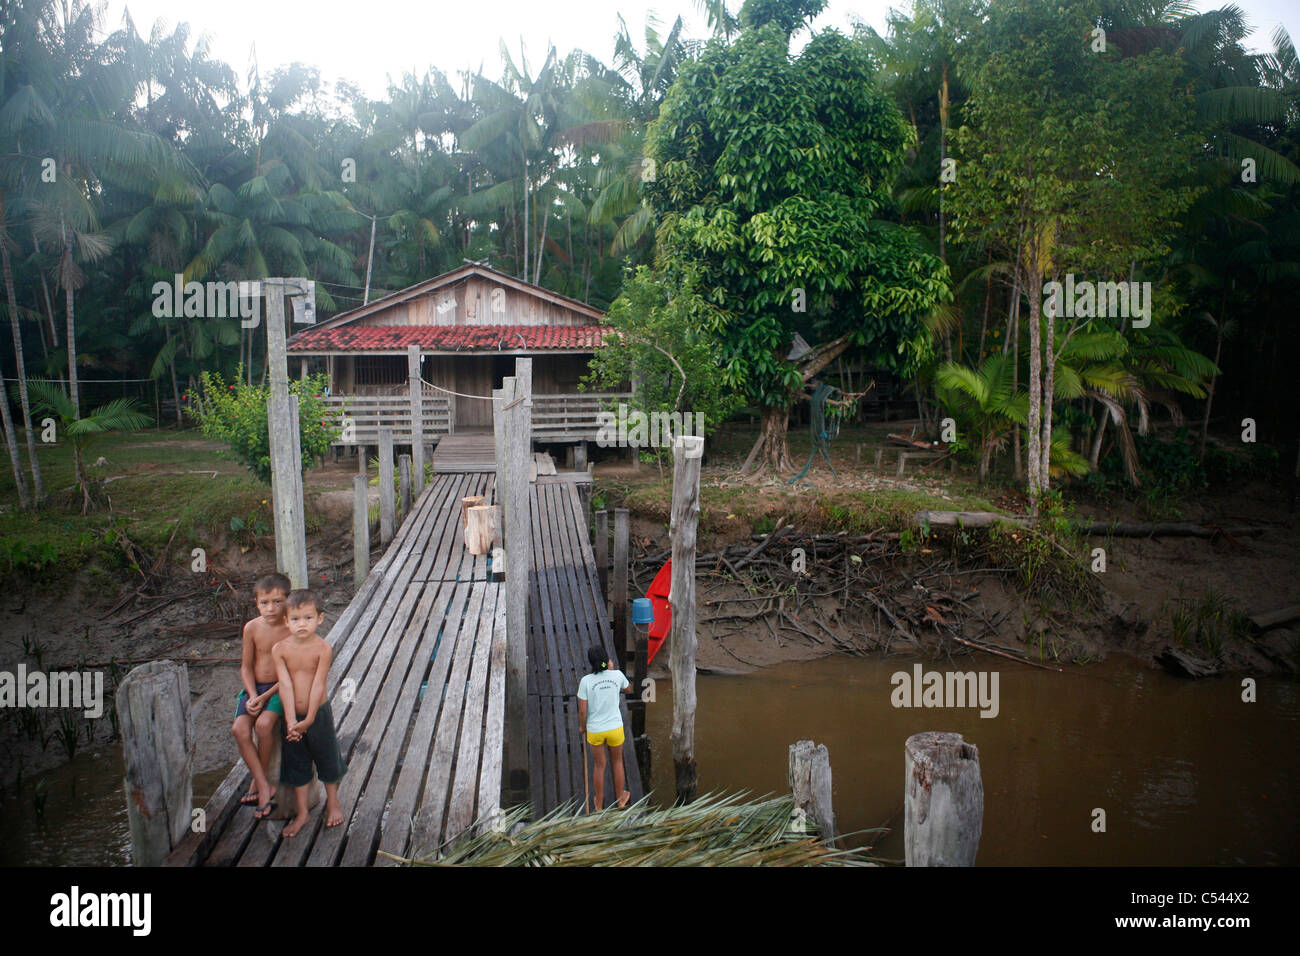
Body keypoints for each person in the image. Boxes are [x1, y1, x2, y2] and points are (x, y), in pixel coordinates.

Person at [272, 588, 347, 838]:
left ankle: (333, 803)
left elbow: (318, 684)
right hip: (292, 716)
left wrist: (310, 718)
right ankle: (303, 812)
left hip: (319, 714)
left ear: (320, 619)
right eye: (295, 619)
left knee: (327, 758)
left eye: (307, 618)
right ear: (286, 621)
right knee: (296, 762)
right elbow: (285, 684)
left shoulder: (322, 648)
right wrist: (292, 719)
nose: (301, 624)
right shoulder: (279, 649)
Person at [232, 572, 290, 819]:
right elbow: (246, 667)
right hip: (254, 688)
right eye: (264, 602)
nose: (271, 608)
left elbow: (291, 672)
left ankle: (260, 783)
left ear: (288, 600)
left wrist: (265, 699)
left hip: (280, 687)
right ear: (256, 603)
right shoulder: (252, 628)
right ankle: (262, 782)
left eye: (278, 601)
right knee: (240, 729)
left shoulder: (291, 628)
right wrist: (254, 695)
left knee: (264, 725)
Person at [576, 646, 632, 811]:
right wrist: (612, 671)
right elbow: (628, 689)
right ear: (607, 660)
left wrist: (582, 727)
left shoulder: (586, 681)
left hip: (595, 730)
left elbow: (582, 710)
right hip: (615, 728)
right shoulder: (617, 676)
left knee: (600, 765)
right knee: (617, 762)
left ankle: (599, 803)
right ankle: (621, 798)